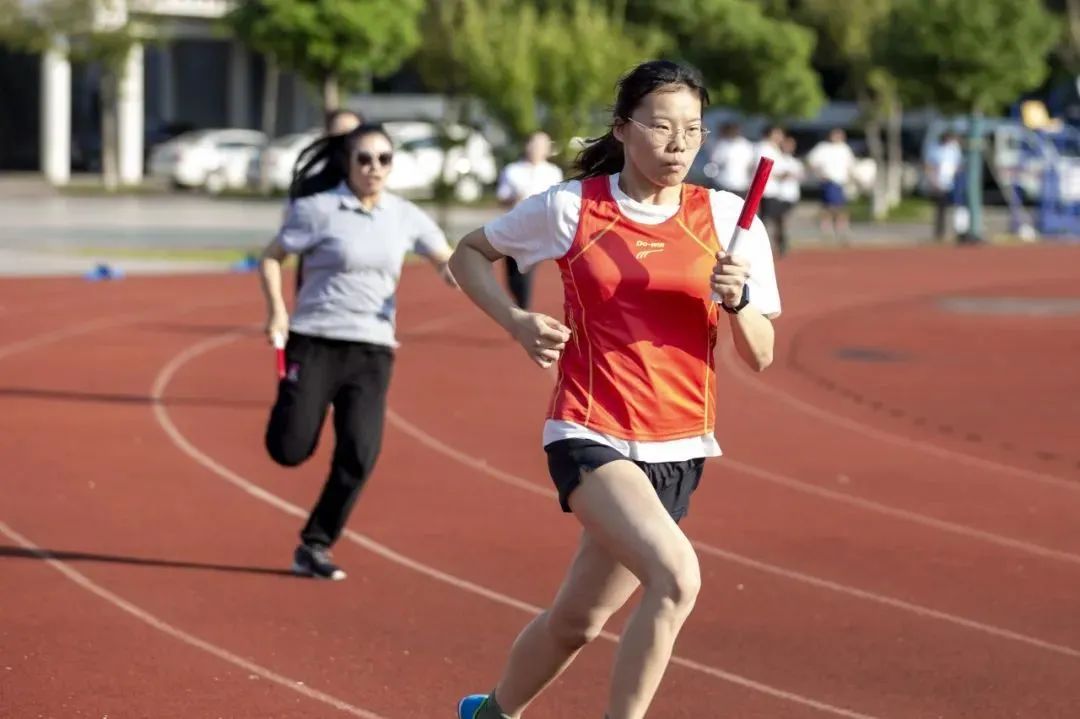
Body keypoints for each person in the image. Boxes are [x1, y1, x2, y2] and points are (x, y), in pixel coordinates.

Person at [448, 59, 781, 719]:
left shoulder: (725, 220)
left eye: (692, 129)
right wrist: (516, 320)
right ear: (624, 128)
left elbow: (762, 355)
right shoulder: (573, 206)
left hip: (680, 445)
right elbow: (469, 253)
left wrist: (737, 300)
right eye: (661, 127)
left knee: (578, 620)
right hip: (590, 430)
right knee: (677, 577)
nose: (678, 144)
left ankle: (490, 714)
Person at [258, 123, 456, 581]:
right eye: (364, 159)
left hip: (373, 349)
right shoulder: (317, 210)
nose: (374, 168)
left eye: (384, 159)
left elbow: (445, 259)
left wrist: (465, 270)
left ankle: (315, 543)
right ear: (348, 163)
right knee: (288, 449)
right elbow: (271, 257)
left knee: (360, 453)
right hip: (315, 339)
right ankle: (289, 401)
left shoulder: (406, 215)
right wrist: (277, 313)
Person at [495, 131, 565, 309]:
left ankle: (524, 309)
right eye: (534, 144)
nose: (538, 149)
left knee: (526, 267)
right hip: (514, 226)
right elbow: (501, 197)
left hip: (539, 227)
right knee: (513, 273)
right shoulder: (512, 170)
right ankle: (519, 302)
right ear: (527, 146)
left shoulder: (553, 172)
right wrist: (513, 198)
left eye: (543, 145)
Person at [806, 127, 857, 243]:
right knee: (829, 207)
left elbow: (851, 165)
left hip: (841, 182)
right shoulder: (822, 148)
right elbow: (811, 162)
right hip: (829, 181)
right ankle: (827, 230)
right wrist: (819, 174)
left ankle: (842, 229)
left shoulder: (845, 149)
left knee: (841, 207)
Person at [924, 131, 963, 242]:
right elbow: (929, 166)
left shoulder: (954, 150)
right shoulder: (935, 149)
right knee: (941, 209)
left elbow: (958, 164)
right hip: (939, 183)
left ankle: (959, 232)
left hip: (953, 182)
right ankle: (939, 233)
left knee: (959, 206)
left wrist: (956, 174)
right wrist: (933, 180)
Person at [772, 135, 805, 257]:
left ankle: (783, 242)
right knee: (778, 221)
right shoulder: (777, 159)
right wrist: (783, 175)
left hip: (791, 196)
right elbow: (773, 174)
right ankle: (780, 242)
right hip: (778, 195)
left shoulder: (795, 161)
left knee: (784, 220)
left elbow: (801, 176)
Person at [706, 121, 754, 195]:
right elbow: (714, 162)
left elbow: (751, 166)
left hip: (741, 186)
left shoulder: (747, 146)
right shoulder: (722, 144)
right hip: (723, 184)